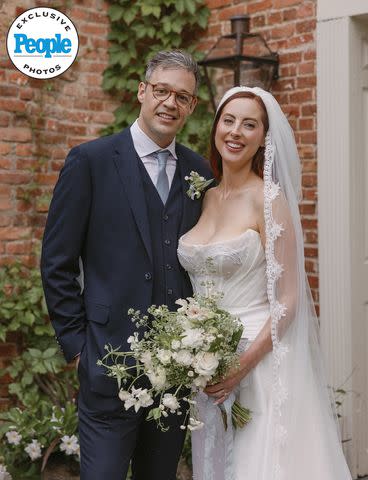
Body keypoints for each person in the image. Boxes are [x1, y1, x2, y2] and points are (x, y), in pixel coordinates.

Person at [40, 50, 211, 480]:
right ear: (142, 91)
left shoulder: (200, 171)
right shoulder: (91, 161)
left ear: (191, 107)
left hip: (175, 373)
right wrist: (78, 346)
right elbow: (57, 261)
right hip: (107, 364)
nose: (170, 103)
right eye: (162, 91)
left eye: (183, 97)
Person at [177, 86, 352, 479]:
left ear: (262, 139)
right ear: (216, 127)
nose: (236, 131)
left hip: (256, 362)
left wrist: (240, 366)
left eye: (249, 124)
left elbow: (288, 299)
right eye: (229, 120)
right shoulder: (204, 196)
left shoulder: (269, 199)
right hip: (204, 365)